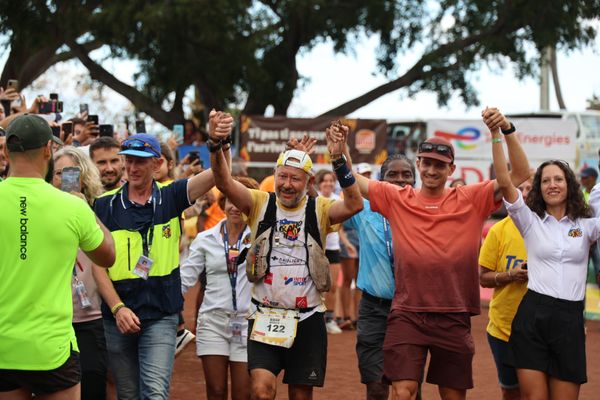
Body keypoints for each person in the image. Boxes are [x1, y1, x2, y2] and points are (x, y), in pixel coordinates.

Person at [349, 107, 530, 400]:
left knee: (453, 395)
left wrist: (503, 131)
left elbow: (519, 174)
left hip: (453, 314)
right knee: (402, 392)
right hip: (407, 313)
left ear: (451, 170)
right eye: (427, 163)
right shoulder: (398, 198)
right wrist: (338, 153)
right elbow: (355, 181)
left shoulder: (471, 198)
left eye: (440, 165)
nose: (432, 170)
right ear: (418, 164)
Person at [210, 120, 364, 400]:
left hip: (308, 318)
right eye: (282, 176)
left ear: (309, 182)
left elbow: (355, 204)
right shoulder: (259, 202)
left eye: (295, 178)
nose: (287, 184)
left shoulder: (320, 208)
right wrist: (215, 144)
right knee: (260, 391)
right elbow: (223, 182)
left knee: (301, 396)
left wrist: (339, 159)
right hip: (264, 315)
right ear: (274, 175)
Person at [92, 111, 233, 400]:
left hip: (160, 313)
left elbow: (220, 176)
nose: (132, 167)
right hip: (118, 315)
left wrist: (217, 143)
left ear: (157, 163)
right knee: (128, 395)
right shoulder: (103, 206)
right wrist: (118, 309)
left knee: (154, 393)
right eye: (128, 160)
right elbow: (98, 268)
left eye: (140, 161)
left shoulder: (171, 196)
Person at [0, 114, 115, 400]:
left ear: (5, 151)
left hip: (4, 346)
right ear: (48, 151)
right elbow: (108, 255)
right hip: (52, 348)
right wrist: (86, 211)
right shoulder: (71, 206)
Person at [491, 118, 597, 400]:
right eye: (546, 180)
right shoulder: (529, 221)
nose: (552, 185)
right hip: (532, 318)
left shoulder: (588, 225)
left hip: (570, 319)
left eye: (558, 179)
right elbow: (504, 181)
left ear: (569, 184)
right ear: (539, 187)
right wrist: (496, 135)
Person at [181, 176, 259, 400]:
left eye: (240, 201)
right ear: (222, 203)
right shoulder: (205, 239)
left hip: (247, 323)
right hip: (212, 322)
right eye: (229, 200)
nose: (235, 207)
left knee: (243, 394)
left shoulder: (260, 238)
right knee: (215, 391)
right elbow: (185, 277)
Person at [346, 154, 416, 400]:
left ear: (414, 181)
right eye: (392, 175)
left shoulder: (424, 212)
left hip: (412, 311)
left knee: (407, 389)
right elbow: (344, 186)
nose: (399, 180)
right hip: (373, 309)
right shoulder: (364, 208)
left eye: (406, 175)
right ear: (380, 180)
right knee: (376, 388)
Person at [52, 146, 109, 400]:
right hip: (53, 319)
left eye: (71, 172)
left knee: (93, 386)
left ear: (84, 176)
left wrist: (86, 211)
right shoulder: (41, 211)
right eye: (58, 173)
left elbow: (109, 253)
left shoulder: (99, 207)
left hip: (91, 317)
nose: (64, 179)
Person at [478, 174, 533, 400]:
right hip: (504, 329)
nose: (526, 192)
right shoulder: (499, 230)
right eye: (520, 188)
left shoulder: (552, 228)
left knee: (539, 391)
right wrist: (511, 275)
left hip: (541, 330)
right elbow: (483, 278)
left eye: (531, 187)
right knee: (510, 391)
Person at [315, 169, 343, 334]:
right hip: (316, 248)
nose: (329, 183)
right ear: (319, 183)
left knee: (331, 287)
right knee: (315, 287)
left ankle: (330, 319)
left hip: (333, 248)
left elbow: (340, 226)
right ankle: (315, 321)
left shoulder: (337, 200)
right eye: (325, 181)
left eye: (331, 180)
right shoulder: (314, 198)